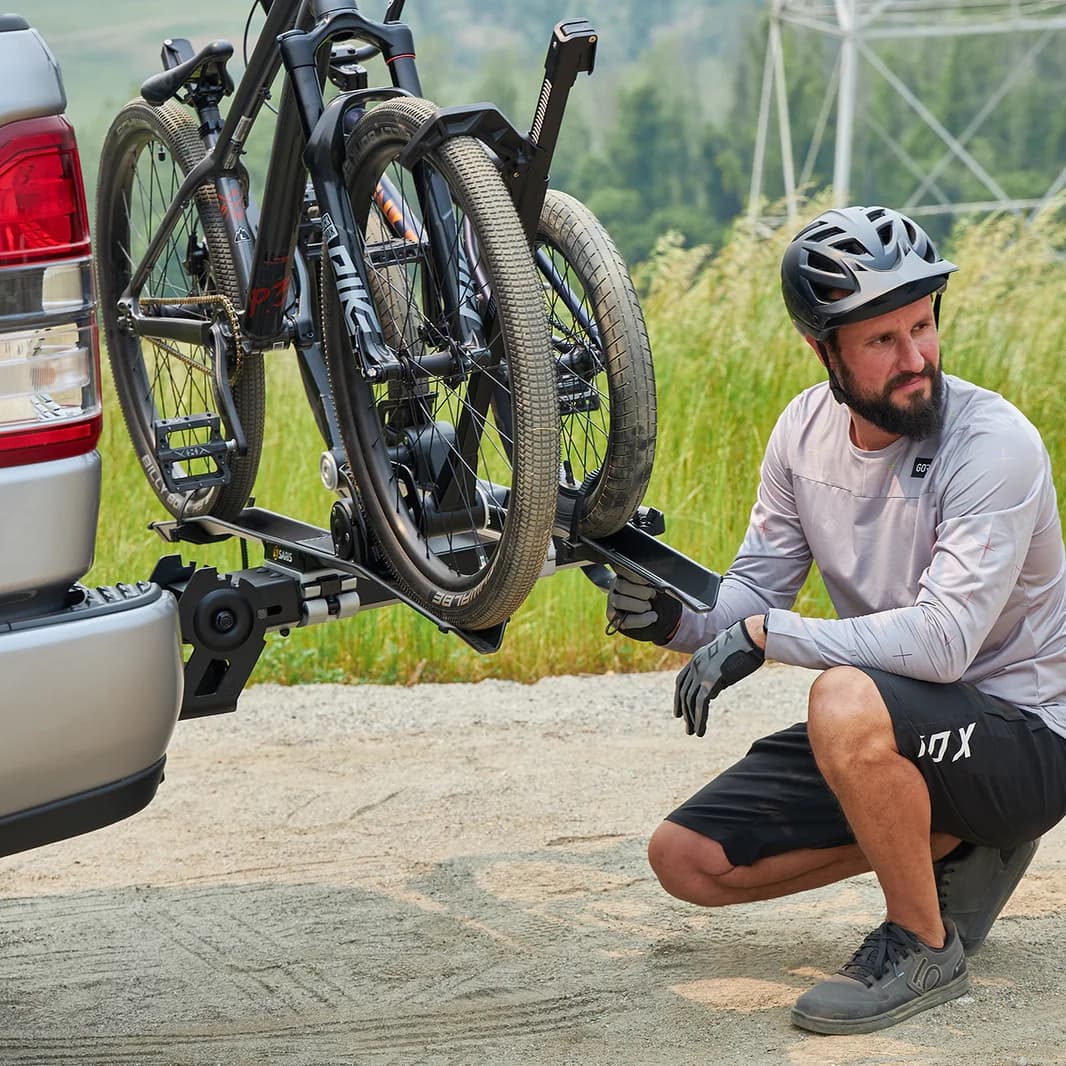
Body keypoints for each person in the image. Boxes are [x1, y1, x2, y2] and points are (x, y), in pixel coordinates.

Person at [607, 204, 1066, 1035]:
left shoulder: (994, 444)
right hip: (903, 729)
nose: (916, 358)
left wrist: (765, 638)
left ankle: (923, 945)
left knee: (844, 697)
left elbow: (940, 640)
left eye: (923, 326)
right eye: (881, 341)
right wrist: (674, 618)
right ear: (824, 350)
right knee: (686, 861)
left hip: (1025, 738)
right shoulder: (801, 433)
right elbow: (755, 591)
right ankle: (947, 845)